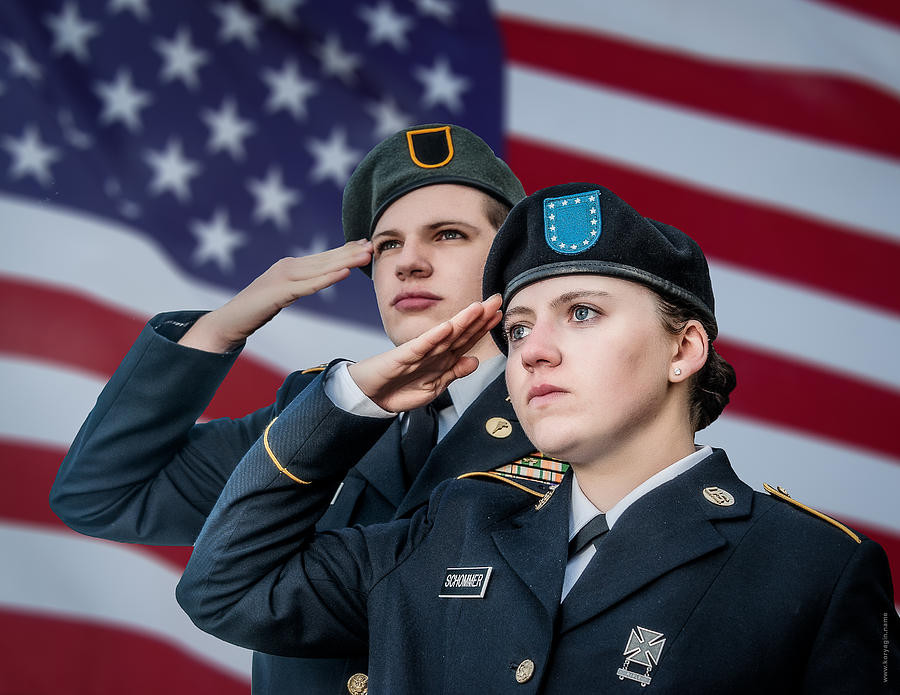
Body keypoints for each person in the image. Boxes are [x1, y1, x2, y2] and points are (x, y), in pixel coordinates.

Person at [176, 182, 899, 694]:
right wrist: (348, 402)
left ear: (684, 350)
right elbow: (227, 587)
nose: (532, 351)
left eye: (581, 312)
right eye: (518, 327)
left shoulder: (811, 566)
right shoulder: (452, 524)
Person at [49, 124, 553, 693]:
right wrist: (226, 323)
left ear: (513, 260)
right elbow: (101, 495)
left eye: (448, 235)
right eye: (387, 244)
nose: (408, 262)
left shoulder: (579, 413)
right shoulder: (320, 412)